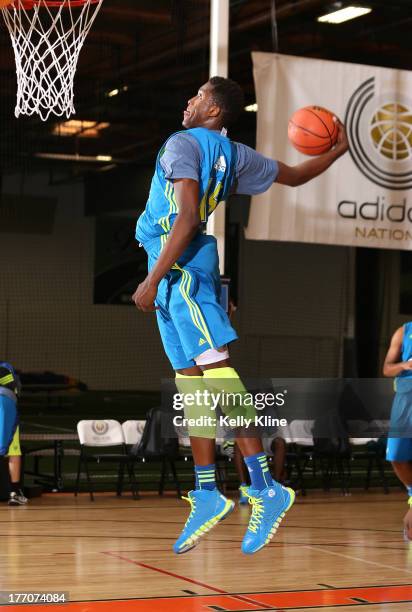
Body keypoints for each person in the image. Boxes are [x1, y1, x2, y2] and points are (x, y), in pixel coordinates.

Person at [132, 76, 349, 555]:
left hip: (180, 268)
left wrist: (152, 280)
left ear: (212, 107)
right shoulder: (237, 155)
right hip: (172, 273)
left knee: (217, 373)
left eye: (195, 96)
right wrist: (335, 153)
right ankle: (208, 491)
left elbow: (188, 218)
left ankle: (266, 487)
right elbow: (293, 174)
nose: (187, 102)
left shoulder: (182, 143)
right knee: (191, 381)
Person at [383, 323, 412, 539]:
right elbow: (386, 369)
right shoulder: (404, 331)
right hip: (405, 399)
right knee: (396, 456)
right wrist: (405, 365)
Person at [0, 362, 25, 505]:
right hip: (7, 408)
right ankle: (14, 493)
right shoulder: (6, 368)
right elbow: (15, 391)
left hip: (6, 405)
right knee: (13, 451)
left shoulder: (5, 368)